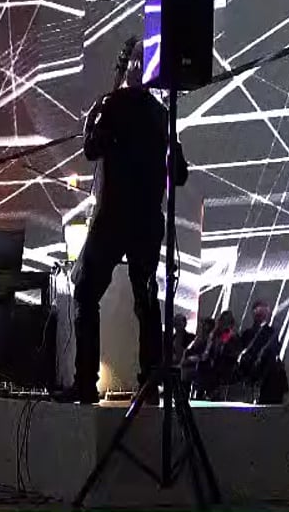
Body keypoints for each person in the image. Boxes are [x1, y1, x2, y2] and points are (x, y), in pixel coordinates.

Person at [63, 34, 188, 403]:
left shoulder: (112, 104)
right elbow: (180, 173)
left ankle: (86, 381)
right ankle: (149, 384)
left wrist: (99, 124)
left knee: (87, 292)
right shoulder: (161, 114)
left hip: (114, 217)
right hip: (146, 221)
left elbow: (91, 149)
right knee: (145, 300)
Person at [233, 298, 289, 404]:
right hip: (252, 372)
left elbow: (275, 351)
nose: (260, 316)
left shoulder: (270, 333)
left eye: (262, 313)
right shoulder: (249, 334)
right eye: (258, 313)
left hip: (265, 374)